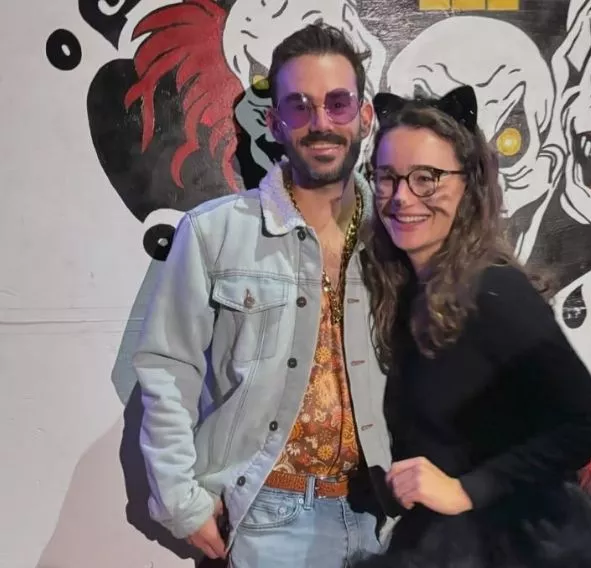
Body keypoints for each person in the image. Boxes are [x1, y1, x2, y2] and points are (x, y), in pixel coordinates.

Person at [351, 85, 591, 567]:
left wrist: (466, 490)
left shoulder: (494, 290)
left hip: (503, 547)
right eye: (387, 177)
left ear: (468, 185)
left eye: (426, 178)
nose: (401, 197)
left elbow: (589, 422)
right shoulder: (409, 290)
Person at [132, 23, 393, 568]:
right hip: (268, 517)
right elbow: (167, 366)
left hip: (385, 516)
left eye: (338, 103)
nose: (321, 123)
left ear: (364, 116)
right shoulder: (215, 232)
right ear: (274, 123)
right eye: (299, 106)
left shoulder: (398, 236)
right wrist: (181, 503)